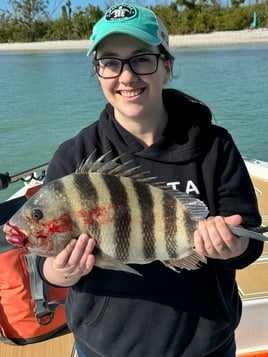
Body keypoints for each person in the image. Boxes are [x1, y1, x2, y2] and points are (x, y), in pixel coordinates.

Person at [36, 3, 263, 356]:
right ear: (98, 71)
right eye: (110, 62)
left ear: (167, 66)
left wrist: (232, 246)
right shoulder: (74, 155)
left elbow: (248, 236)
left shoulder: (214, 145)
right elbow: (46, 267)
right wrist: (60, 272)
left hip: (205, 347)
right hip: (104, 348)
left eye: (142, 59)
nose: (126, 77)